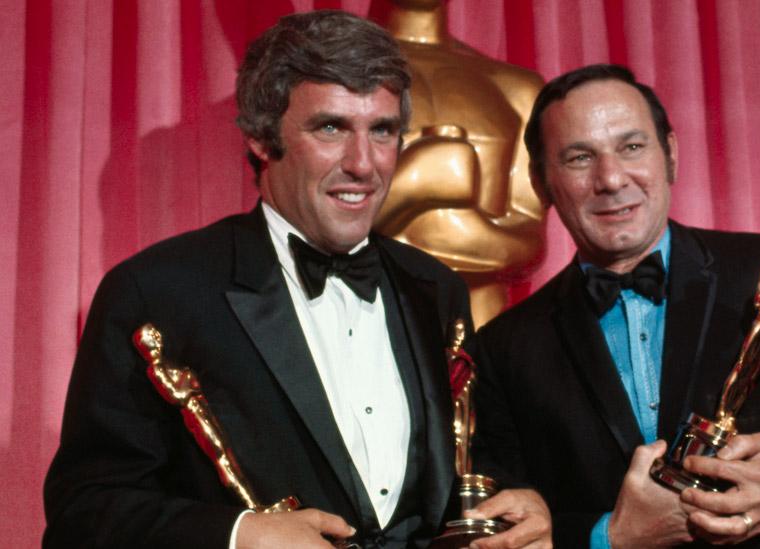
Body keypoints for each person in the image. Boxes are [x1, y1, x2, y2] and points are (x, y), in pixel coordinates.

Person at [43, 10, 549, 549]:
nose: (363, 164)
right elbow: (84, 512)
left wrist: (523, 503)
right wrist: (240, 536)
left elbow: (463, 472)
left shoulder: (436, 289)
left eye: (382, 131)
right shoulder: (158, 292)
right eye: (330, 127)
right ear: (263, 138)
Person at [471, 64, 760, 548]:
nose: (610, 178)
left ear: (669, 154)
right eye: (578, 158)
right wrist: (607, 538)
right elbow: (505, 525)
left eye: (632, 147)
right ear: (541, 182)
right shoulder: (504, 348)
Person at [373, 0, 546, 328]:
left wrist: (466, 235)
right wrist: (413, 183)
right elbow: (305, 222)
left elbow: (530, 239)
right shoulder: (328, 79)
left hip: (480, 333)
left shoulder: (517, 88)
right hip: (362, 318)